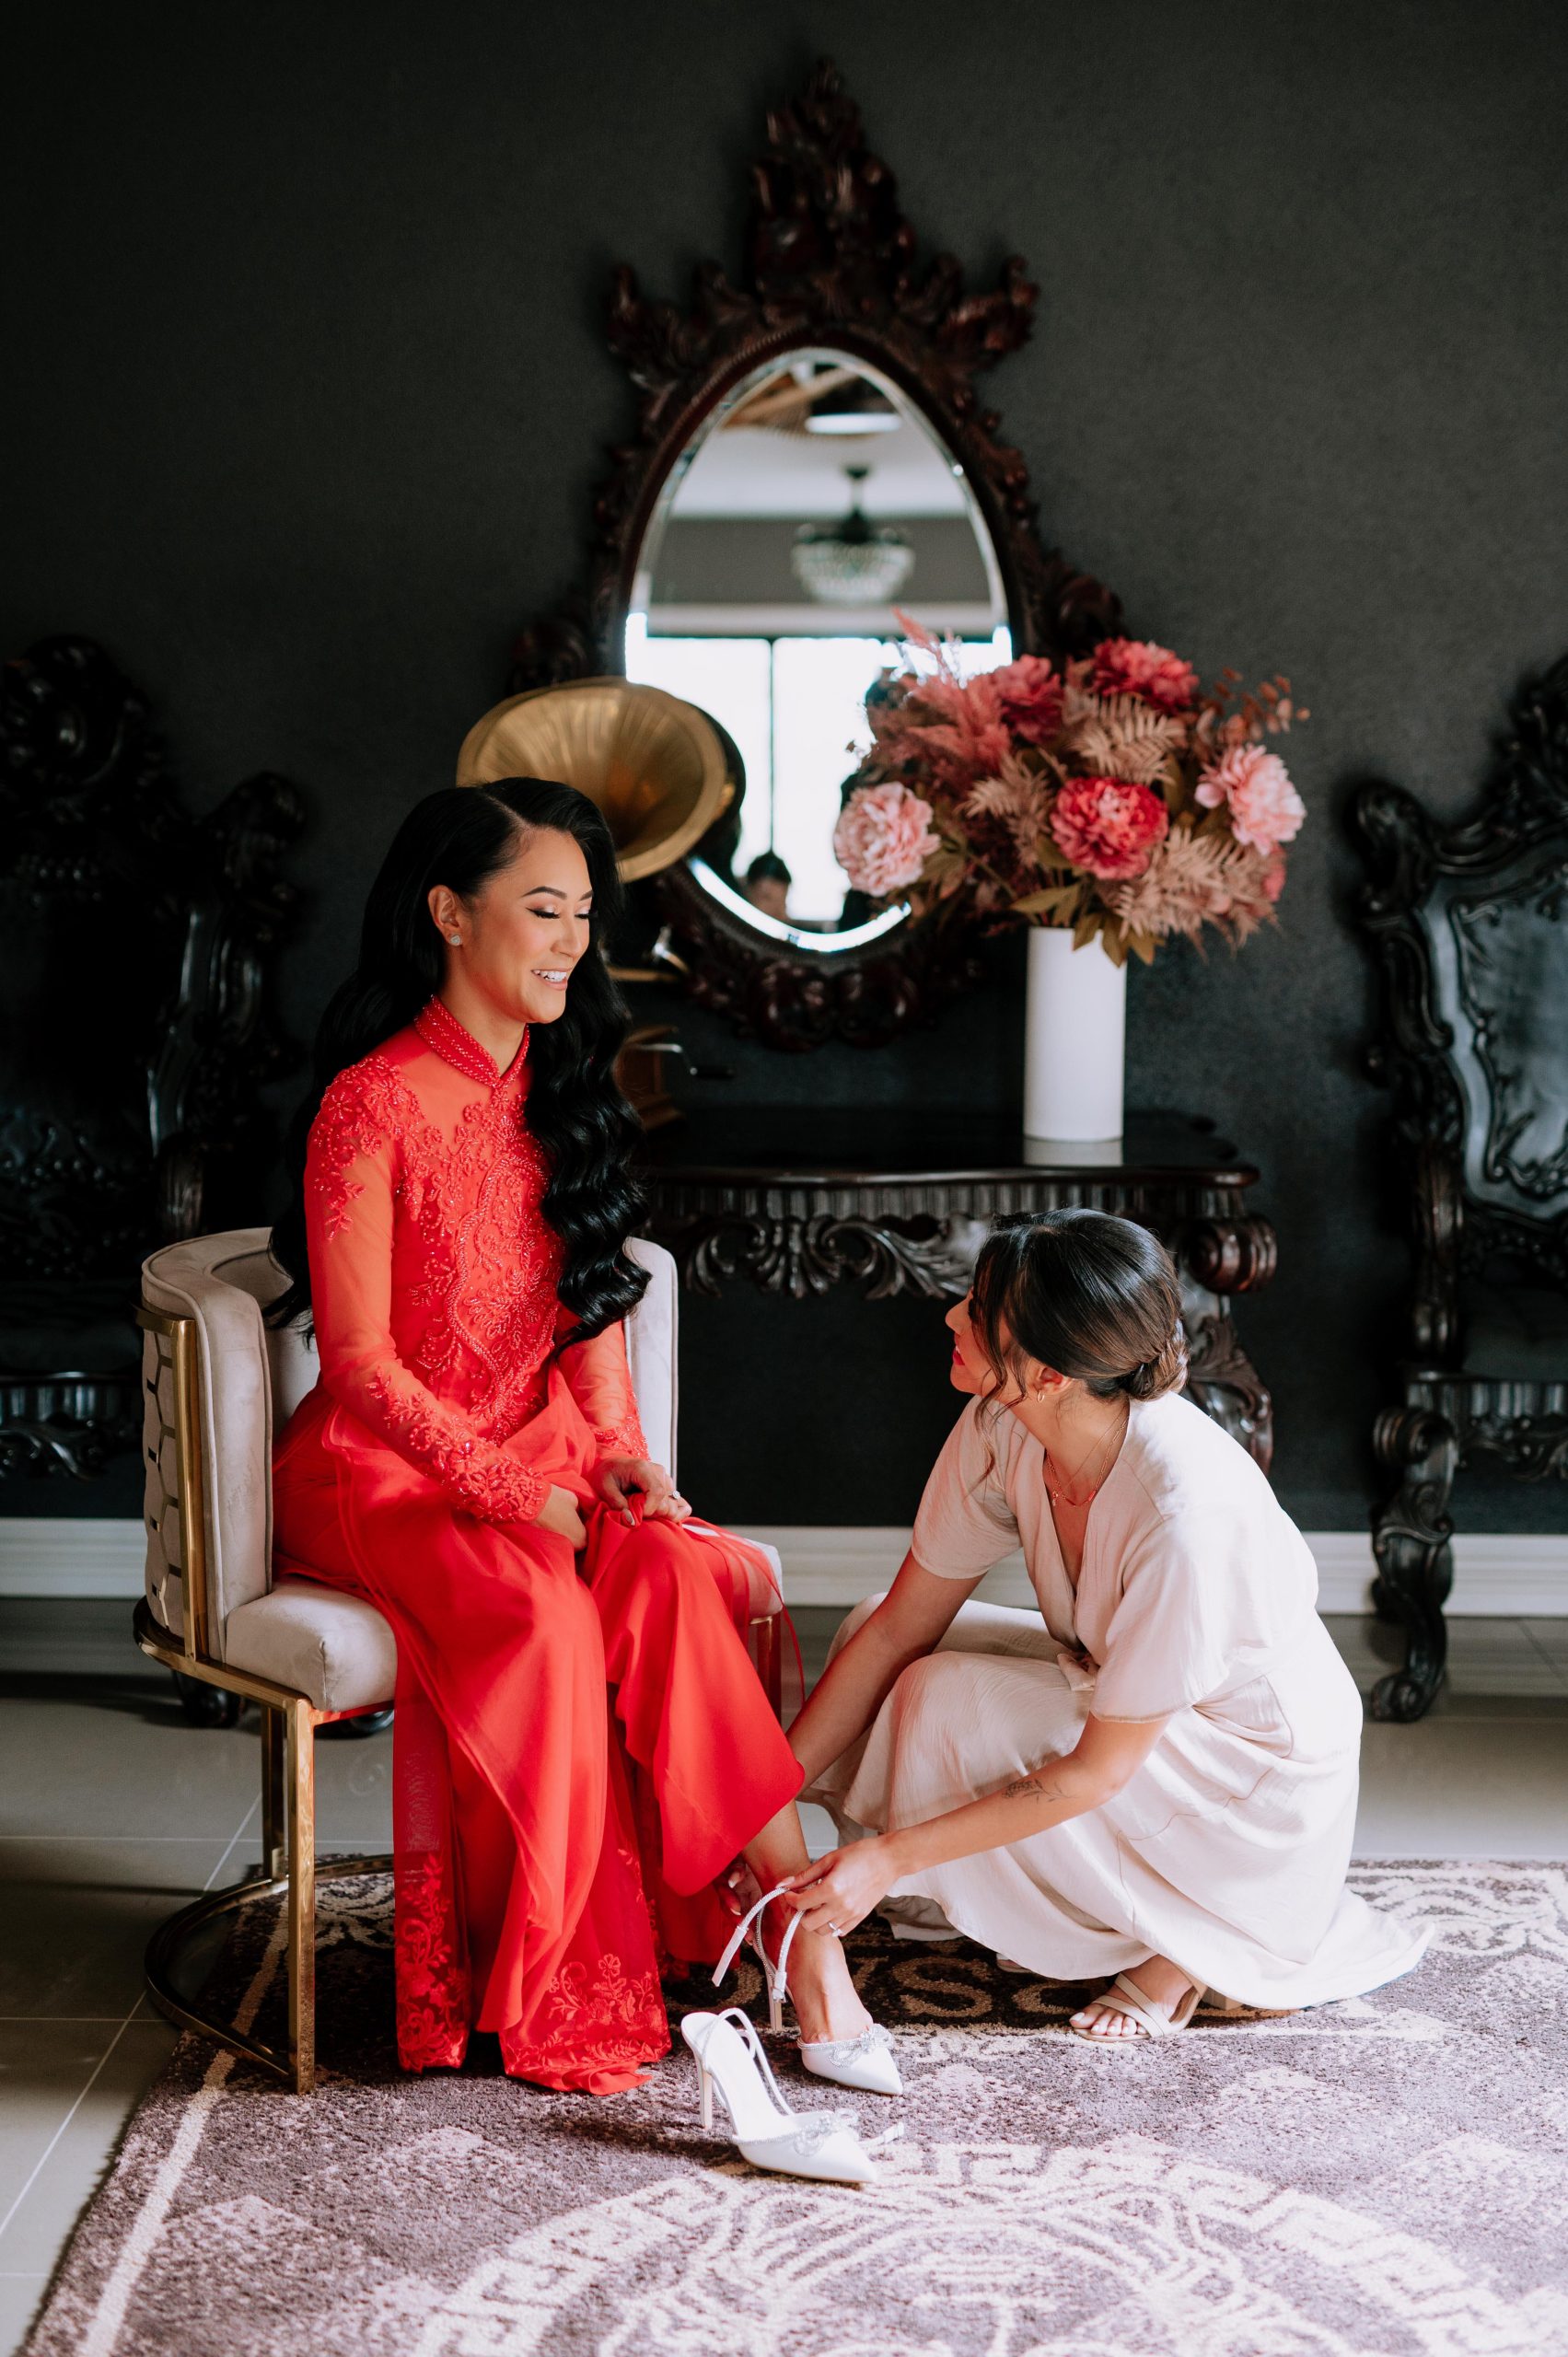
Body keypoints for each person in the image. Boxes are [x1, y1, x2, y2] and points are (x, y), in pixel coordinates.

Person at [267, 776, 877, 2092]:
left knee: (665, 1572)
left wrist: (617, 1457)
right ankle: (548, 1992)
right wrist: (498, 1488)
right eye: (542, 910)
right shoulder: (369, 1108)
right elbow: (360, 1365)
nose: (567, 942)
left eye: (581, 917)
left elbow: (586, 1309)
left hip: (532, 1446)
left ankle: (800, 1943)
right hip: (381, 1470)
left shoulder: (558, 1088)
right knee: (544, 1617)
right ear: (447, 912)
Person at [782, 1210, 1429, 2041]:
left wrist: (890, 1858)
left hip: (1251, 1768)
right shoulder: (1001, 1419)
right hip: (1122, 1689)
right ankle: (1007, 1890)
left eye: (976, 1309)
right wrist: (756, 1798)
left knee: (949, 1696)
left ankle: (1196, 1937)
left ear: (1050, 1374)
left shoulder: (1185, 1516)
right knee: (870, 1624)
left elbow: (1096, 1773)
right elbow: (899, 1625)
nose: (949, 1317)